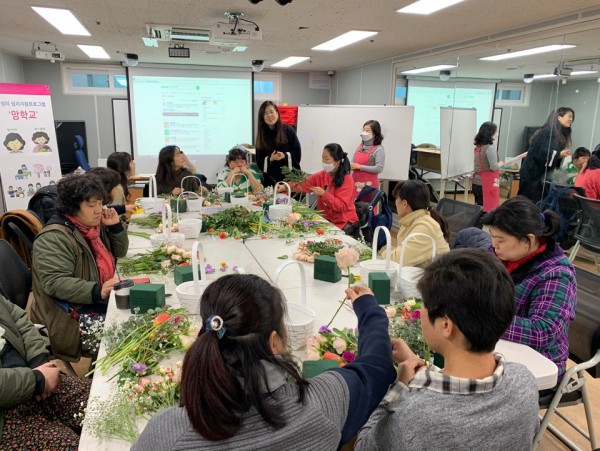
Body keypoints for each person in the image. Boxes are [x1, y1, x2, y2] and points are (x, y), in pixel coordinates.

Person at [132, 274, 396, 450]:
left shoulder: (168, 433)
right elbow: (377, 366)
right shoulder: (323, 403)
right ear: (273, 342)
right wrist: (368, 308)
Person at [355, 249, 540, 450]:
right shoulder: (524, 381)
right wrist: (423, 370)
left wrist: (399, 386)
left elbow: (363, 445)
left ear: (446, 325)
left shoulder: (418, 415)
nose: (420, 311)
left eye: (424, 304)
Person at [30, 173, 129, 362]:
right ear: (72, 207)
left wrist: (115, 227)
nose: (99, 210)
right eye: (92, 206)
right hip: (69, 319)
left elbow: (121, 252)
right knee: (131, 334)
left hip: (93, 302)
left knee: (143, 312)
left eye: (100, 203)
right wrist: (97, 290)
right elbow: (55, 283)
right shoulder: (54, 238)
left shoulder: (92, 227)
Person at [482, 196, 576, 381]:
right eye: (492, 237)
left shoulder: (556, 274)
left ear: (529, 240)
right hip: (498, 345)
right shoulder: (500, 255)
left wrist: (483, 320)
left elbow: (542, 331)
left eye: (500, 240)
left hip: (540, 361)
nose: (494, 245)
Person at [0, 294, 91, 450]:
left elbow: (21, 321)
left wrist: (39, 360)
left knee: (106, 398)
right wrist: (37, 380)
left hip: (32, 375)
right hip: (6, 418)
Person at [288, 143, 358, 231]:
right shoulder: (323, 174)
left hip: (343, 222)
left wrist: (324, 194)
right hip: (326, 219)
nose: (323, 162)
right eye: (322, 158)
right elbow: (304, 183)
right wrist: (285, 187)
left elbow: (341, 206)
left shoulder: (347, 179)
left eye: (326, 159)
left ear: (338, 161)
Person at [382, 180, 450, 266]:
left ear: (404, 203)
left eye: (396, 198)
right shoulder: (411, 220)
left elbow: (397, 260)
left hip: (432, 277)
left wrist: (383, 251)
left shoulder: (425, 226)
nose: (395, 202)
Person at [518, 107, 575, 203]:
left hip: (541, 175)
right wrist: (558, 154)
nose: (571, 119)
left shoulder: (558, 133)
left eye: (572, 117)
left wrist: (559, 154)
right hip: (533, 174)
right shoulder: (547, 131)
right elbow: (540, 152)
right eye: (569, 116)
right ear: (559, 117)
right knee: (528, 202)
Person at [255, 101, 302, 187]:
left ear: (277, 113)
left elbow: (297, 153)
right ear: (262, 117)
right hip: (271, 180)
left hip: (289, 179)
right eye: (265, 113)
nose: (269, 115)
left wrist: (285, 156)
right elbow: (259, 160)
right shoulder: (262, 135)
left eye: (271, 112)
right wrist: (270, 159)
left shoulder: (288, 130)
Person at [472, 121, 503, 211]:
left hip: (476, 182)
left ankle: (477, 224)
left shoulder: (478, 147)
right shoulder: (490, 148)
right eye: (496, 131)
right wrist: (501, 163)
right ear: (491, 133)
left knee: (479, 207)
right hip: (486, 184)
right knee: (488, 209)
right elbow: (493, 167)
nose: (497, 134)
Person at [351, 120, 385, 197]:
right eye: (363, 130)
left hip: (369, 186)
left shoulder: (379, 149)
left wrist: (360, 167)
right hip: (355, 182)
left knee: (366, 207)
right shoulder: (360, 146)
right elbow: (353, 161)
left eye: (367, 130)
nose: (364, 132)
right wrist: (351, 165)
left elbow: (379, 168)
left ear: (374, 134)